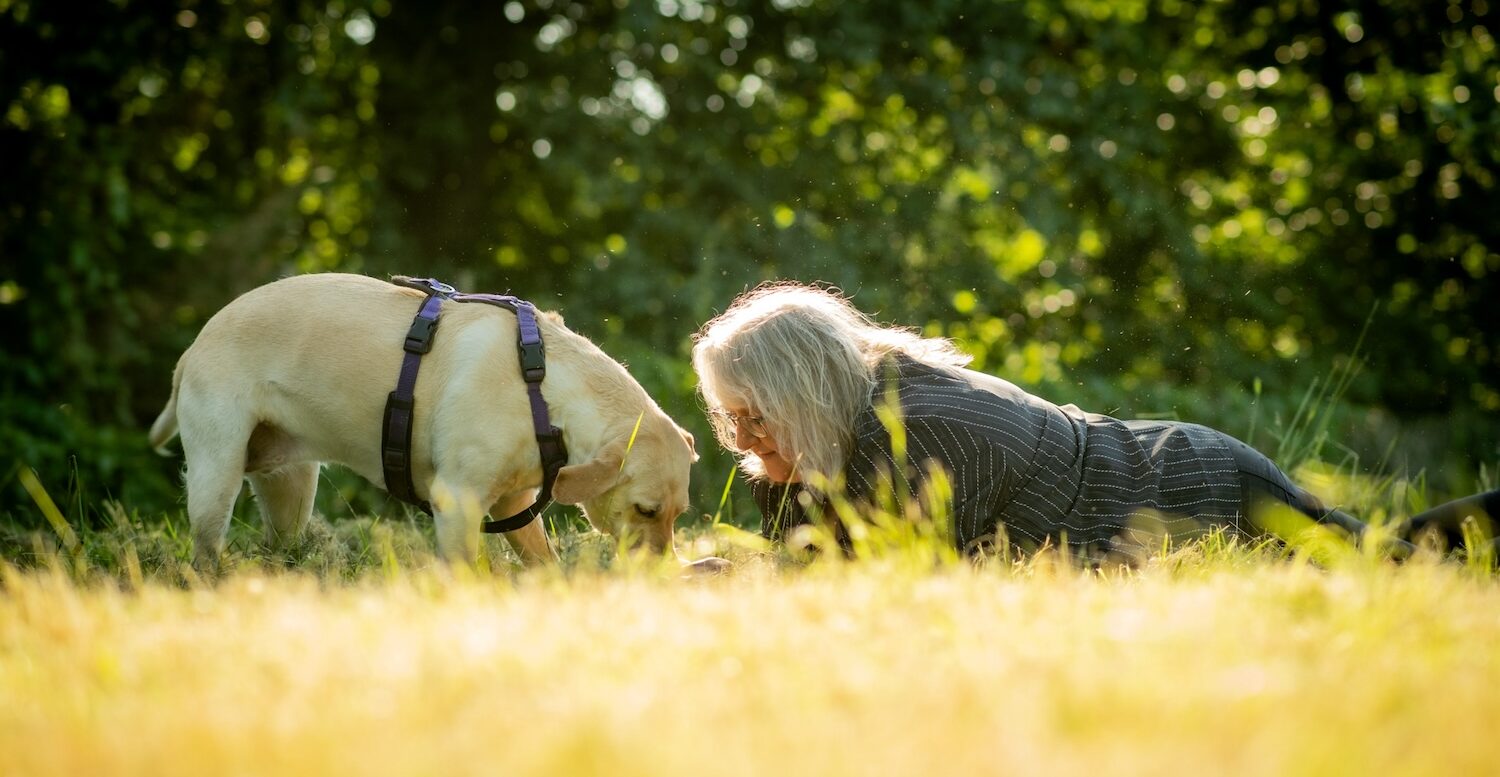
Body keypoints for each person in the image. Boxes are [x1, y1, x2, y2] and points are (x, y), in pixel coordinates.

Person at [690, 282, 1498, 561]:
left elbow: (861, 585)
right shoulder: (841, 436)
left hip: (1196, 487)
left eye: (756, 417)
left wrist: (740, 576)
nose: (745, 442)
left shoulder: (921, 429)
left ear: (805, 391)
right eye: (732, 423)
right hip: (1167, 471)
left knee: (1388, 564)